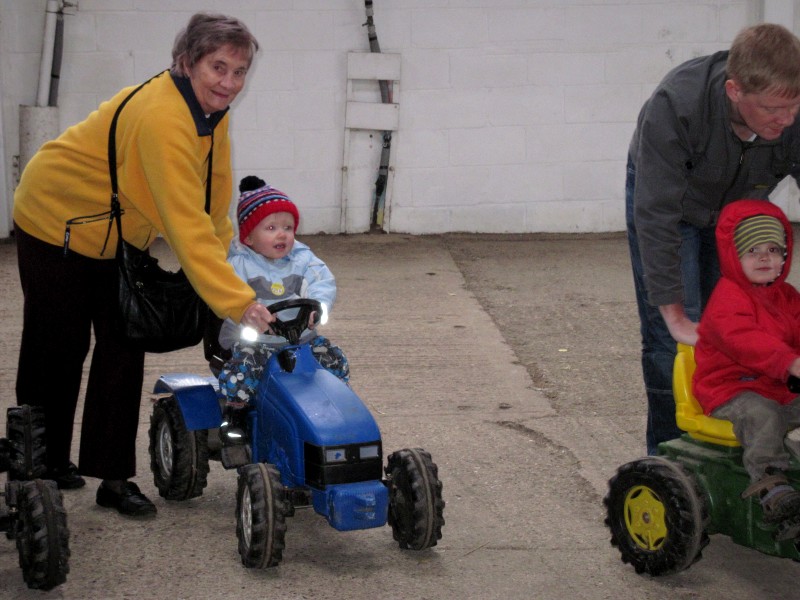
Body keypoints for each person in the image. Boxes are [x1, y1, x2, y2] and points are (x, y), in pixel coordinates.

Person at [12, 13, 276, 517]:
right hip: (55, 219)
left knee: (124, 343)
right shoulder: (163, 118)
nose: (229, 82)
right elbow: (184, 223)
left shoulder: (210, 113)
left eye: (239, 71)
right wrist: (238, 302)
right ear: (187, 62)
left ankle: (113, 478)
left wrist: (234, 266)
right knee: (57, 348)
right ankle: (41, 468)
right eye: (218, 67)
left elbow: (212, 201)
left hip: (115, 233)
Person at [626, 22, 800, 455]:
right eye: (773, 109)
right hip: (674, 203)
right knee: (674, 340)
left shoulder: (791, 111)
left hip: (736, 209)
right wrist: (673, 312)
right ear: (734, 91)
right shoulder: (678, 106)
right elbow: (657, 216)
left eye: (794, 106)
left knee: (740, 326)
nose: (787, 119)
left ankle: (742, 447)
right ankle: (670, 459)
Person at [216, 176, 349, 467]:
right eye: (271, 228)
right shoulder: (238, 264)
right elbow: (225, 292)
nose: (282, 235)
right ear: (249, 237)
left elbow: (322, 282)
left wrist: (319, 307)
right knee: (243, 370)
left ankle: (335, 409)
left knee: (334, 359)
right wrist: (245, 312)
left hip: (300, 338)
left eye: (288, 228)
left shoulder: (303, 260)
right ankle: (235, 416)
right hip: (257, 342)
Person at [693, 199, 800, 536]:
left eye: (773, 249)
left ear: (785, 255)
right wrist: (790, 361)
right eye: (752, 250)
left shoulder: (788, 296)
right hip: (731, 387)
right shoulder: (728, 298)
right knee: (762, 414)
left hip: (778, 385)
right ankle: (770, 481)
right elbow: (744, 339)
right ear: (733, 256)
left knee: (778, 408)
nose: (765, 258)